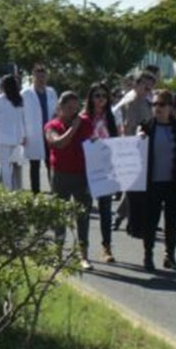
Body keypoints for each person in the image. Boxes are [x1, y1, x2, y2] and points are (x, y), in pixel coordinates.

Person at [131, 90, 176, 273]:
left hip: (172, 182)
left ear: (171, 108)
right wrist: (137, 140)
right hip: (152, 183)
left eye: (161, 104)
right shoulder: (145, 128)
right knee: (150, 221)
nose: (157, 108)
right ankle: (148, 256)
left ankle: (169, 256)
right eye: (154, 104)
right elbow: (132, 152)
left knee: (171, 221)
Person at [42, 91, 95, 270]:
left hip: (82, 175)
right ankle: (57, 254)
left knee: (83, 215)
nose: (73, 112)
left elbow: (94, 142)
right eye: (69, 108)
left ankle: (84, 255)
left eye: (76, 108)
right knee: (59, 215)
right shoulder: (52, 125)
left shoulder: (86, 123)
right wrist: (74, 127)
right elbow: (58, 143)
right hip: (61, 175)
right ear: (60, 108)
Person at [80, 85, 120, 261]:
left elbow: (118, 142)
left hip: (105, 169)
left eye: (104, 95)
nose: (101, 99)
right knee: (85, 210)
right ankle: (83, 249)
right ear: (90, 98)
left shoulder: (111, 118)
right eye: (97, 95)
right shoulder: (83, 118)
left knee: (105, 209)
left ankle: (107, 248)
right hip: (87, 169)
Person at [0, 74, 29, 191]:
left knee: (5, 166)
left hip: (3, 138)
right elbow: (23, 118)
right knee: (16, 165)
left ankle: (7, 190)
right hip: (17, 138)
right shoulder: (20, 100)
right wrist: (24, 135)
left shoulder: (0, 99)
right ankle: (17, 189)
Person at [20, 65, 54, 192]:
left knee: (51, 163)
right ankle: (36, 193)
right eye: (38, 76)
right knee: (34, 165)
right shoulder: (26, 93)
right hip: (33, 134)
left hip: (50, 132)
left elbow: (56, 111)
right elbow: (20, 115)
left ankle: (54, 191)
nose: (41, 79)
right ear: (33, 77)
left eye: (43, 76)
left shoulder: (51, 92)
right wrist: (22, 134)